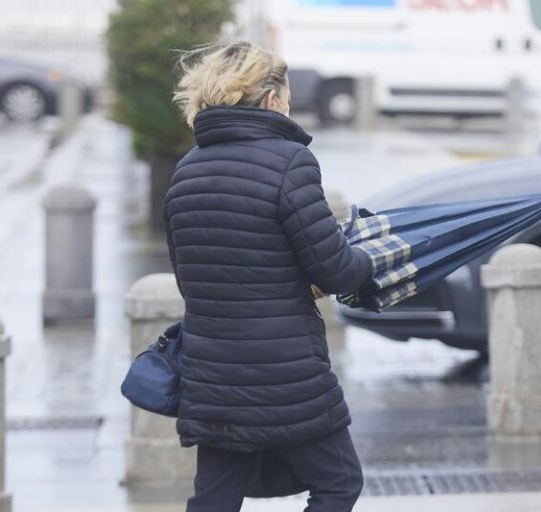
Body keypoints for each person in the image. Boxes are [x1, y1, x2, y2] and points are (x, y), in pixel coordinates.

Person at [166, 40, 373, 512]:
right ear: (271, 99)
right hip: (285, 372)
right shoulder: (289, 162)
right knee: (338, 483)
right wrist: (370, 261)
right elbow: (335, 269)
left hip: (211, 372)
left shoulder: (186, 171)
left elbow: (188, 276)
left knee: (215, 498)